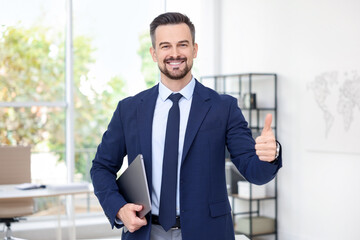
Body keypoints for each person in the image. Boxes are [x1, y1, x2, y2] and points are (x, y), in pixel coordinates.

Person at [90, 12, 282, 240]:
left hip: (208, 233)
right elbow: (101, 167)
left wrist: (270, 155)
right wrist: (119, 208)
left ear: (194, 49)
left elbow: (254, 172)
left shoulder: (223, 108)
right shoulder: (129, 109)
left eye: (182, 45)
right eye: (165, 46)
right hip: (146, 232)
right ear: (154, 53)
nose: (174, 54)